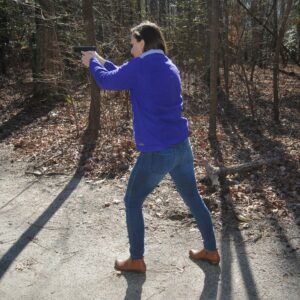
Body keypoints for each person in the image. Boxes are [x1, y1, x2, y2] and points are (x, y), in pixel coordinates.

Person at [81, 21, 220, 273]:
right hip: (181, 146)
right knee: (193, 197)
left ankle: (136, 259)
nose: (131, 49)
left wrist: (91, 62)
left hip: (158, 150)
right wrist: (100, 60)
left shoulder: (141, 66)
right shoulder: (168, 65)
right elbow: (123, 75)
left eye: (133, 44)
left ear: (142, 42)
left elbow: (107, 82)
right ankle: (211, 250)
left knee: (132, 201)